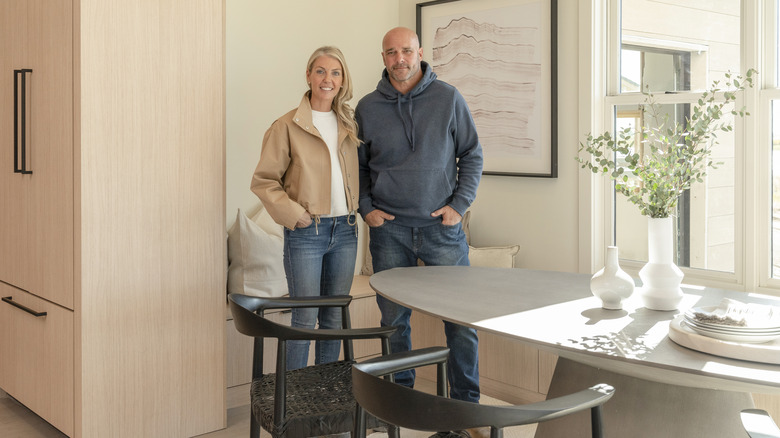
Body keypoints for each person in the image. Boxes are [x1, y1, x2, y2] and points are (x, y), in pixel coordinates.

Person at [355, 27, 484, 404]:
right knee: (394, 323)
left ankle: (466, 406)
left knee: (460, 323)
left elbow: (472, 155)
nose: (400, 59)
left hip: (441, 231)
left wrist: (459, 206)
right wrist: (366, 209)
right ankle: (401, 401)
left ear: (420, 53)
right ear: (383, 58)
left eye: (407, 51)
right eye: (392, 52)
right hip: (389, 231)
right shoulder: (367, 107)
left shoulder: (448, 98)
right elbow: (359, 167)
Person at [251, 46, 360, 370]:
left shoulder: (348, 123)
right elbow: (264, 180)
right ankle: (295, 400)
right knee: (305, 317)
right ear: (309, 76)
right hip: (306, 234)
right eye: (321, 71)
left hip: (346, 231)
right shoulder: (286, 126)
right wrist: (292, 214)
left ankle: (322, 395)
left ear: (342, 80)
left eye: (335, 72)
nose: (328, 79)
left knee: (334, 317)